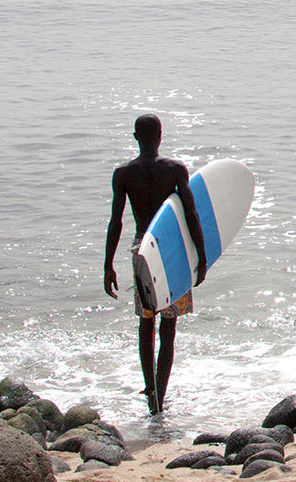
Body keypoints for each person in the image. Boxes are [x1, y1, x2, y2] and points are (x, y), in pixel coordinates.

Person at [103, 114, 206, 415]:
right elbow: (191, 214)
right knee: (168, 329)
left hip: (142, 251)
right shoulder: (174, 170)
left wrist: (108, 264)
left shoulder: (123, 174)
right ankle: (161, 394)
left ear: (135, 137)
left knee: (145, 323)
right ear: (160, 135)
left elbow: (115, 222)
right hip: (171, 253)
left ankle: (151, 393)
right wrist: (201, 255)